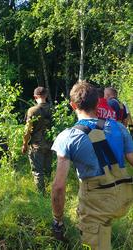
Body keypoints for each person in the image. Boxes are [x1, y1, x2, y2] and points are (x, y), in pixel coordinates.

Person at [51, 81, 133, 249]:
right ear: (98, 103)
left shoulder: (68, 137)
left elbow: (59, 186)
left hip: (96, 205)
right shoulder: (119, 128)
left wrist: (57, 219)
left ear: (72, 105)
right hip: (123, 199)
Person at [22, 86, 52, 194]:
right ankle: (49, 188)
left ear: (35, 97)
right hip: (50, 144)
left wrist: (24, 144)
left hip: (36, 145)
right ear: (46, 96)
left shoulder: (32, 110)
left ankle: (41, 194)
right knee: (48, 169)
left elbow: (27, 130)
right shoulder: (53, 109)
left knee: (37, 171)